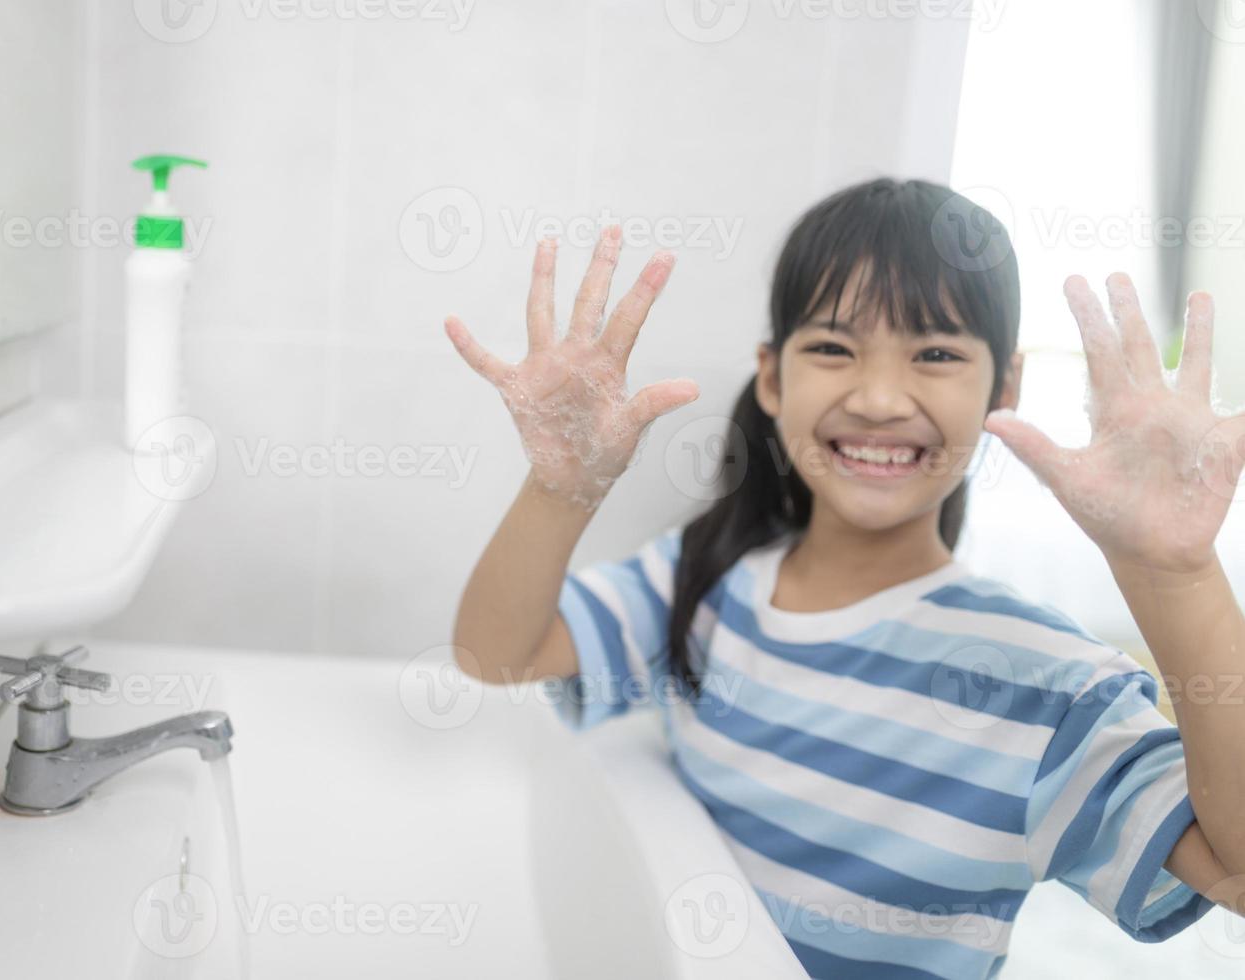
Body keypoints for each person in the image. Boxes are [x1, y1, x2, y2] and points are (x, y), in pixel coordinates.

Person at [445, 178, 1245, 978]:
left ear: (1005, 388)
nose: (878, 398)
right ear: (772, 377)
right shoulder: (706, 583)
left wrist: (1174, 578)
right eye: (832, 348)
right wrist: (560, 488)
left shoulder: (1047, 684)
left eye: (935, 354)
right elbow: (496, 654)